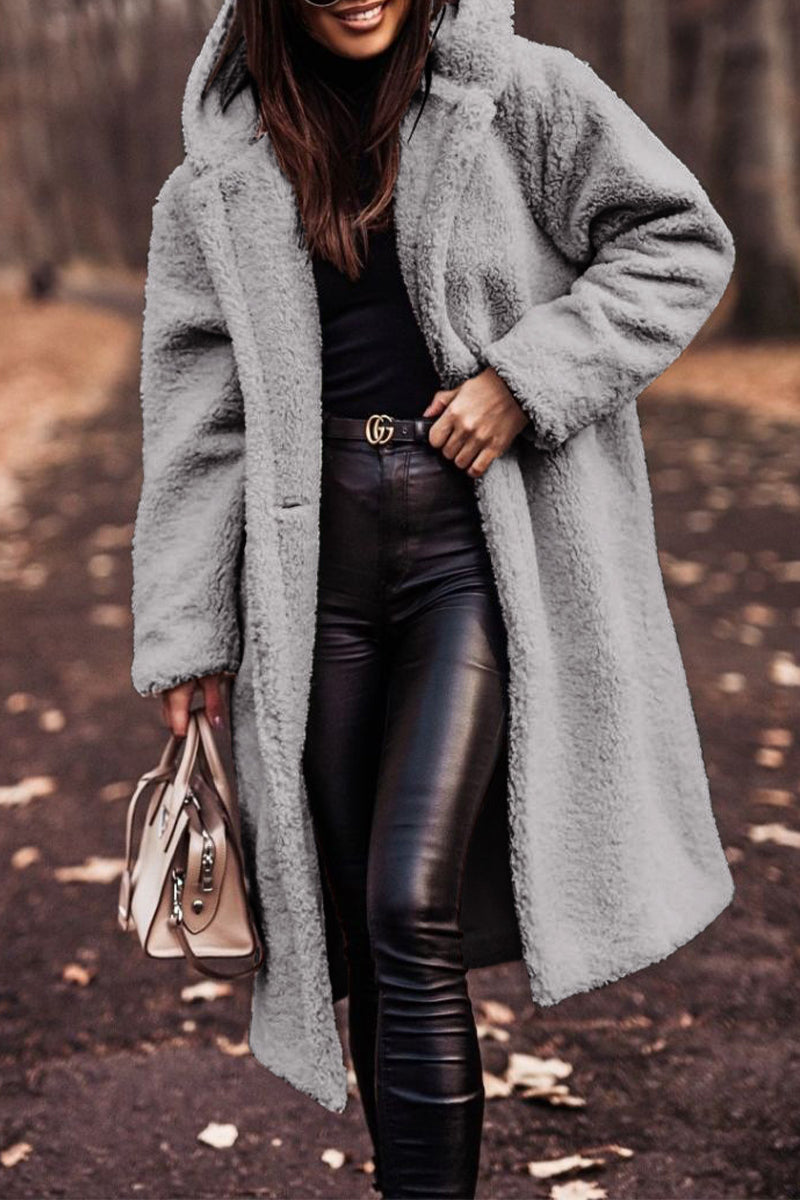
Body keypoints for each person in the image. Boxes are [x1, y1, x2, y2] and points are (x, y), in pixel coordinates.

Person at [130, 1, 737, 1196]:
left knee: (410, 902)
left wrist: (526, 378)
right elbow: (197, 426)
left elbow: (677, 240)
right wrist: (189, 630)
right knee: (361, 928)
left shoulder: (521, 93)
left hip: (476, 554)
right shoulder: (215, 179)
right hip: (311, 588)